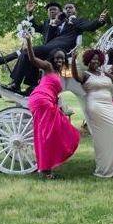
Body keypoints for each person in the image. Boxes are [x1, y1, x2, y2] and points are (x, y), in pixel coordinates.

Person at [6, 1, 108, 94]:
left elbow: (89, 25)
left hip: (61, 51)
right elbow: (35, 27)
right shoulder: (55, 23)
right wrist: (30, 14)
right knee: (28, 54)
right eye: (66, 8)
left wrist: (99, 21)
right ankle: (32, 86)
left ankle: (16, 84)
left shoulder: (76, 22)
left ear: (75, 10)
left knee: (29, 51)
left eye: (70, 8)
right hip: (48, 49)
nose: (68, 9)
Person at [22, 33, 80, 179]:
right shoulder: (48, 67)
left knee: (53, 132)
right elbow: (32, 59)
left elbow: (75, 76)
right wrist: (28, 41)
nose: (59, 60)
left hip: (47, 101)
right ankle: (45, 169)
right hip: (41, 99)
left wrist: (74, 59)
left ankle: (43, 165)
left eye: (62, 58)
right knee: (47, 134)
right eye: (57, 58)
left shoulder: (63, 72)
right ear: (52, 59)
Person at [71, 49, 113, 178]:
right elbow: (75, 77)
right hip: (95, 106)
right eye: (92, 59)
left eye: (97, 59)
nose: (95, 61)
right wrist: (73, 60)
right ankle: (103, 170)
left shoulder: (103, 73)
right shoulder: (85, 74)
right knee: (101, 138)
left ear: (101, 60)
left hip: (109, 105)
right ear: (88, 60)